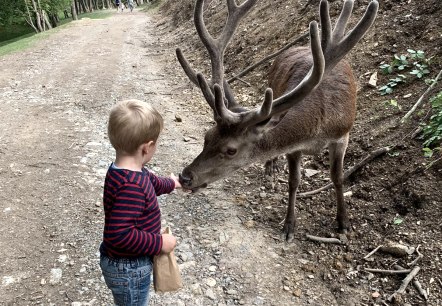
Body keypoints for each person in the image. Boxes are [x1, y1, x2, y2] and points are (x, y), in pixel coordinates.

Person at [99, 99, 181, 305]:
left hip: (126, 264)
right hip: (129, 267)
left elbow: (152, 182)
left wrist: (173, 183)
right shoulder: (131, 185)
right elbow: (119, 235)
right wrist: (159, 243)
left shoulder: (123, 170)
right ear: (147, 147)